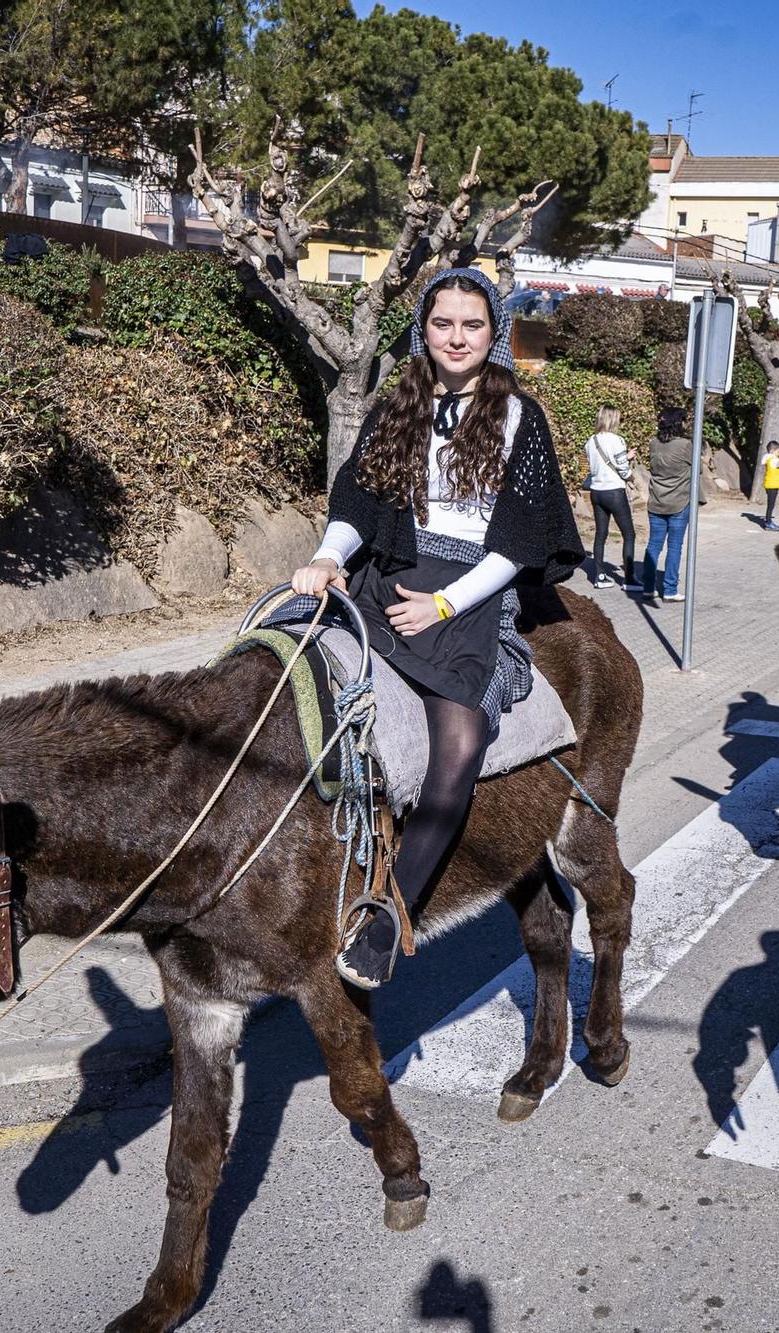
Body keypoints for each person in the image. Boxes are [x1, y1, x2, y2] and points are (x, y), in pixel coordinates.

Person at [293, 268, 583, 988]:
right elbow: (358, 499)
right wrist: (328, 557)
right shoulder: (399, 402)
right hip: (387, 575)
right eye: (443, 323)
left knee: (457, 745)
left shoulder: (523, 418)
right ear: (424, 328)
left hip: (471, 602)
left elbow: (517, 545)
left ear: (496, 333)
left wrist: (445, 604)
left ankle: (393, 912)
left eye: (473, 325)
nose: (457, 338)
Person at [583, 405, 640, 590]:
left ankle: (599, 577)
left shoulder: (590, 441)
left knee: (601, 534)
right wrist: (631, 475)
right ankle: (629, 580)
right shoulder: (617, 440)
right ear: (613, 419)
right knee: (629, 534)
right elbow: (622, 469)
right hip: (614, 491)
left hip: (596, 491)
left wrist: (625, 456)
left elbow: (599, 465)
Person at [642, 406, 693, 602]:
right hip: (679, 502)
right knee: (674, 547)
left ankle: (648, 588)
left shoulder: (653, 443)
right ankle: (670, 590)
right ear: (678, 423)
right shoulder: (685, 445)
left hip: (656, 501)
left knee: (654, 545)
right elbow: (696, 470)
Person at [760, 439, 779, 532]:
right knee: (770, 505)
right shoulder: (772, 460)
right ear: (772, 451)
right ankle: (768, 523)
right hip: (771, 485)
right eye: (778, 451)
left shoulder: (771, 459)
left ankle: (768, 521)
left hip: (772, 485)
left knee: (771, 505)